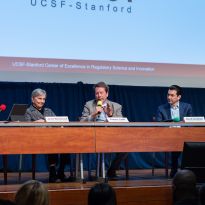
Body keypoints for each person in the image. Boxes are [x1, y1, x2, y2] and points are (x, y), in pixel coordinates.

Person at [80, 81, 128, 178]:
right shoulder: (89, 105)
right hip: (94, 135)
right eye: (97, 93)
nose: (99, 95)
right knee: (101, 145)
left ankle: (112, 170)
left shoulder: (116, 106)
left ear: (107, 94)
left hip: (112, 136)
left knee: (126, 147)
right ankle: (100, 171)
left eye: (101, 93)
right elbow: (82, 122)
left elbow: (122, 123)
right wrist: (94, 114)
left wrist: (110, 116)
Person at [24, 88, 70, 182]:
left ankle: (61, 171)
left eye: (44, 99)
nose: (42, 101)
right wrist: (35, 123)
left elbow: (57, 122)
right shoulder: (27, 111)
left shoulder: (49, 111)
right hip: (36, 139)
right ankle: (53, 172)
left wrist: (61, 126)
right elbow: (25, 128)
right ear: (33, 99)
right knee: (52, 142)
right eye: (39, 98)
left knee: (66, 143)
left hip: (52, 137)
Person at [156, 85, 192, 178]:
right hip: (168, 135)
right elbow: (158, 124)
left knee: (190, 143)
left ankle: (184, 170)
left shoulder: (187, 107)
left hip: (184, 134)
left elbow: (190, 122)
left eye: (172, 95)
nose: (169, 97)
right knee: (175, 141)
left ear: (179, 97)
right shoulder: (161, 108)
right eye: (168, 95)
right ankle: (177, 171)